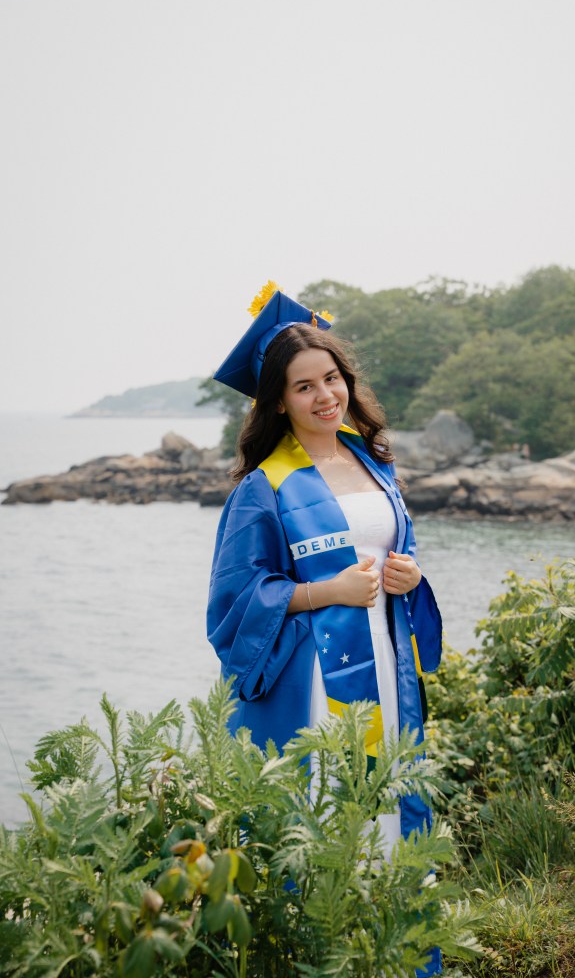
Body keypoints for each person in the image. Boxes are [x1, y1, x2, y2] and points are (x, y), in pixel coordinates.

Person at [206, 281, 443, 866]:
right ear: (278, 402)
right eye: (304, 386)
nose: (325, 396)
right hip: (315, 671)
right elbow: (236, 599)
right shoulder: (264, 486)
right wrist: (327, 591)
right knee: (324, 804)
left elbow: (392, 546)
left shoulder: (373, 462)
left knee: (389, 788)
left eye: (331, 378)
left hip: (386, 659)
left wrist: (410, 576)